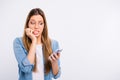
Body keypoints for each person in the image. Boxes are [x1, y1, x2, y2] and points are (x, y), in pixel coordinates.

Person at [13, 8, 61, 80]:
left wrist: (54, 62)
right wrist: (34, 40)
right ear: (27, 24)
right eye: (32, 23)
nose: (36, 27)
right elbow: (26, 68)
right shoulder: (18, 42)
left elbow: (56, 75)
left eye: (40, 23)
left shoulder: (53, 44)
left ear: (44, 26)